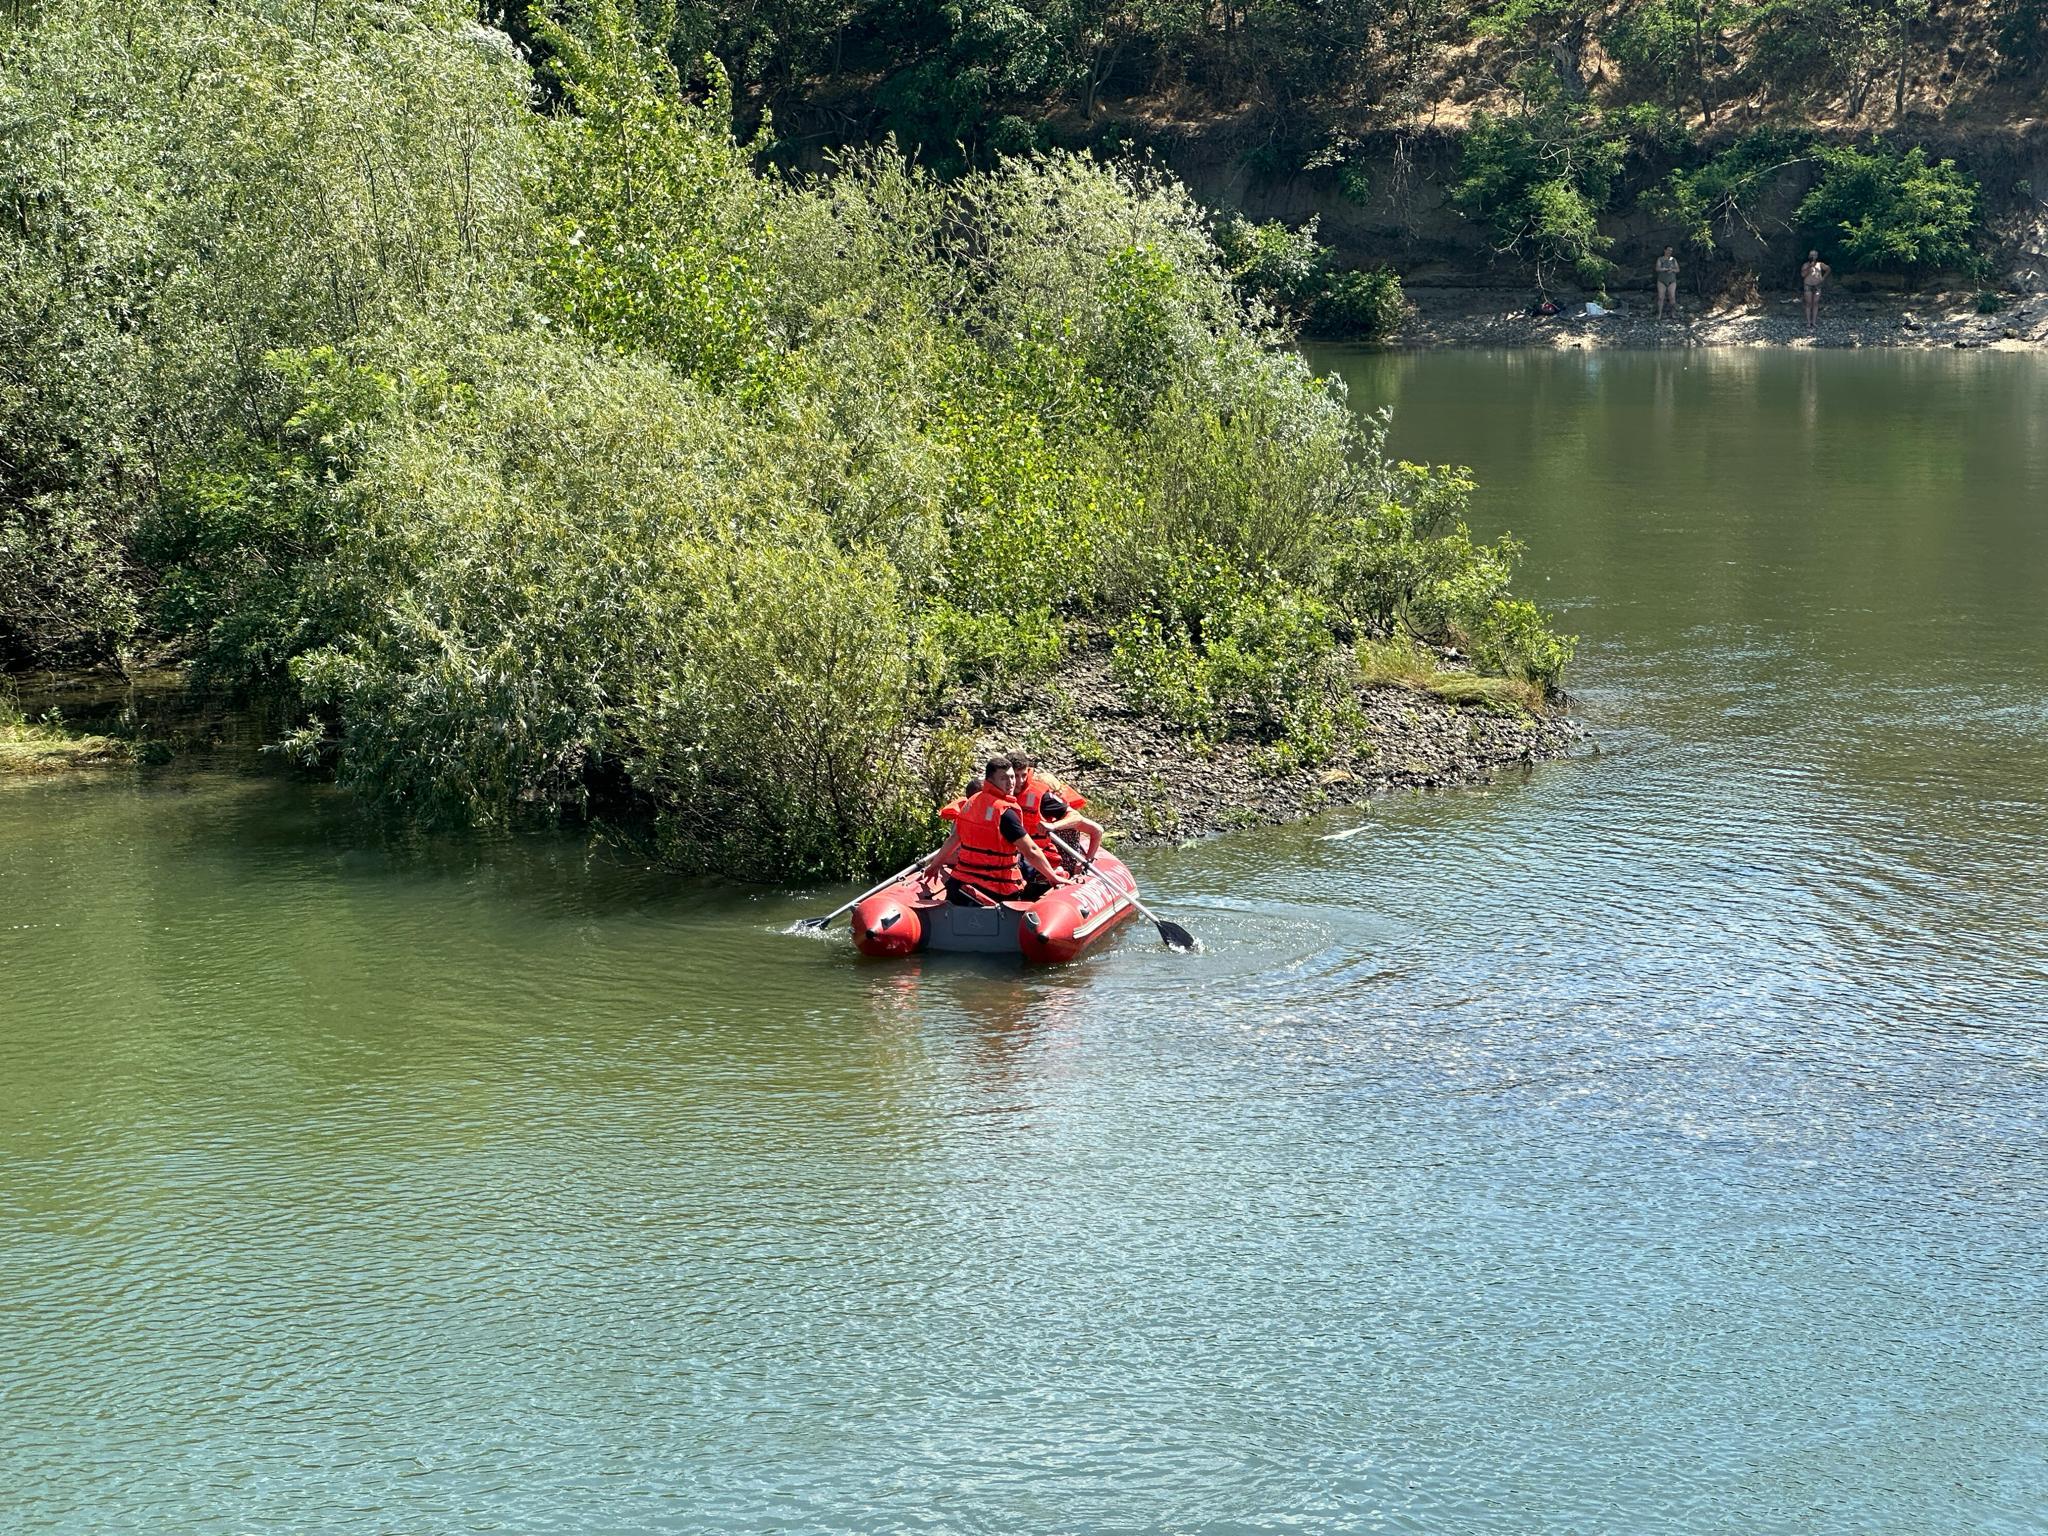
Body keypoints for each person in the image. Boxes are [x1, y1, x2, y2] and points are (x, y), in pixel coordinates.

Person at [922, 756, 1067, 905]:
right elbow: (1030, 850)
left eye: (1011, 777)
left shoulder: (970, 803)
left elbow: (953, 839)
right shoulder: (1005, 812)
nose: (1011, 783)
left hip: (959, 883)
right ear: (990, 781)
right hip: (996, 889)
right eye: (1004, 778)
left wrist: (935, 865)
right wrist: (1052, 877)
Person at [1007, 749, 1103, 878]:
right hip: (1012, 860)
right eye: (1015, 776)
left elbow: (1089, 825)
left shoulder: (1043, 798)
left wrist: (1054, 826)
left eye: (1023, 775)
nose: (1019, 781)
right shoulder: (997, 798)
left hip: (1039, 862)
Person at [1801, 250, 1831, 331]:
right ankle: (1808, 322)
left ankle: (1814, 322)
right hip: (1808, 285)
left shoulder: (1820, 264)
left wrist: (1823, 278)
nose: (1812, 256)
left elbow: (1828, 269)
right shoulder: (1806, 265)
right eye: (1811, 255)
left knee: (1816, 303)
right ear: (1809, 256)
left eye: (1814, 255)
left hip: (1817, 286)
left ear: (1817, 256)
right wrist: (1809, 268)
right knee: (1808, 303)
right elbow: (1803, 275)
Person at [1655, 246, 1680, 319]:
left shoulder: (1673, 259)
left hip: (1672, 281)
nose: (1669, 252)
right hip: (1661, 281)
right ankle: (1659, 314)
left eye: (1671, 251)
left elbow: (1678, 269)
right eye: (1668, 250)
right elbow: (1657, 268)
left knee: (1672, 297)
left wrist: (1672, 270)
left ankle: (1673, 314)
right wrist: (1664, 269)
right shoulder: (1660, 259)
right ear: (1664, 250)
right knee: (1660, 297)